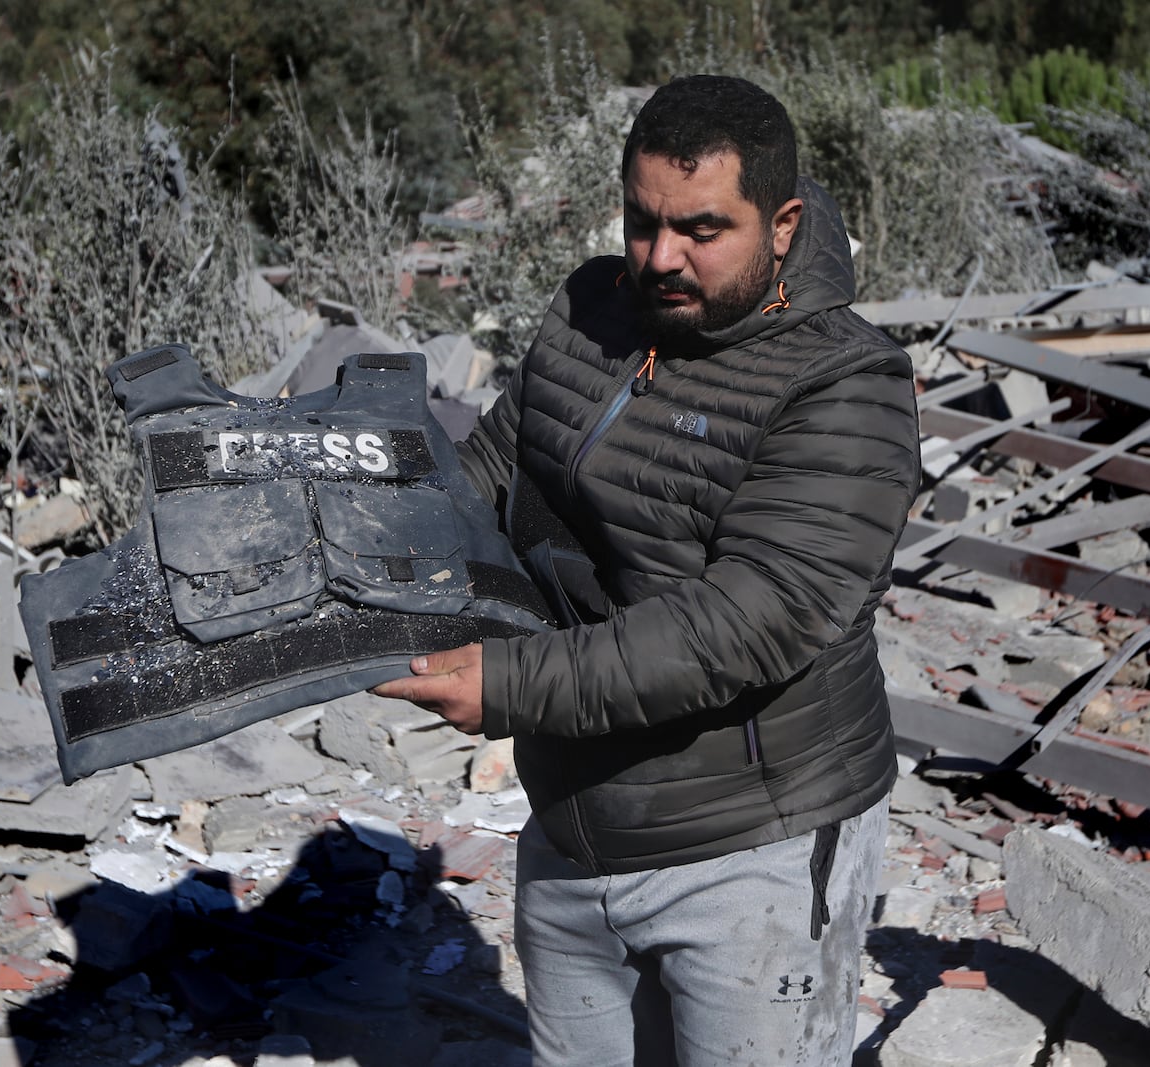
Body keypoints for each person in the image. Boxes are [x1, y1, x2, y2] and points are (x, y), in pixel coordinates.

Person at [374, 74, 920, 1066]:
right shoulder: (594, 308)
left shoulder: (846, 381)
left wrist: (504, 683)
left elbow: (747, 620)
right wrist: (351, 555)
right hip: (574, 824)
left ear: (784, 222)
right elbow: (498, 472)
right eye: (641, 221)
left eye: (702, 230)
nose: (660, 258)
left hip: (751, 849)